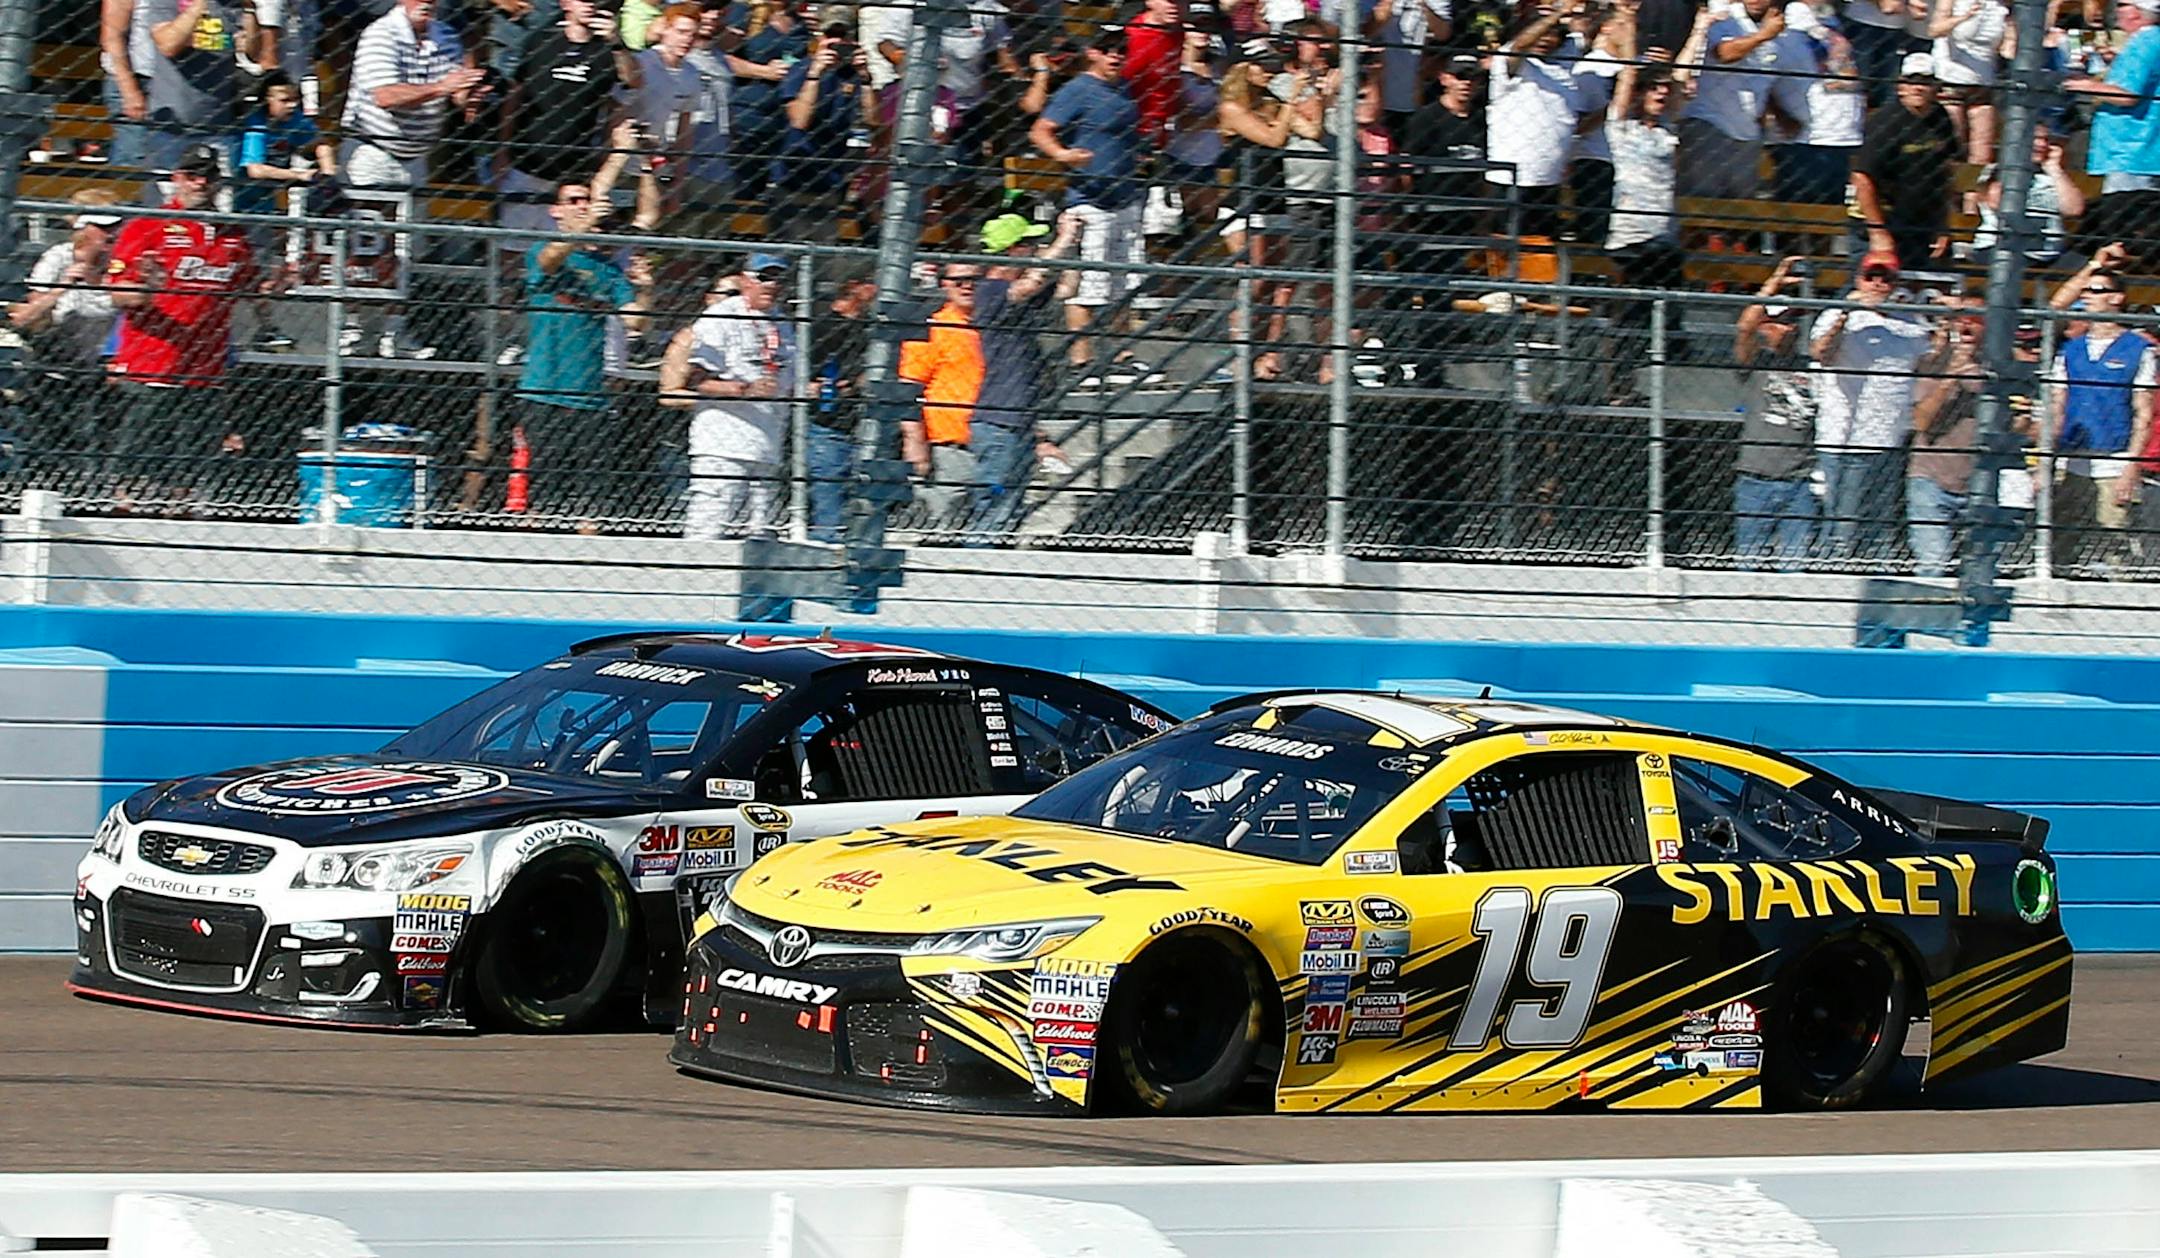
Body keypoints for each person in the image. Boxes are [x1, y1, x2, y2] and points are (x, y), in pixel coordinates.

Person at [103, 143, 259, 500]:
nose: (200, 183)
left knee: (190, 465)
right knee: (137, 461)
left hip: (206, 368)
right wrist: (147, 287)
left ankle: (181, 507)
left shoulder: (233, 235)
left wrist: (279, 283)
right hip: (152, 362)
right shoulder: (147, 226)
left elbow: (251, 287)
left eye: (207, 176)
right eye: (192, 175)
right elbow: (117, 294)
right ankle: (122, 508)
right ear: (177, 179)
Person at [342, 0, 488, 358]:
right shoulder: (380, 34)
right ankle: (352, 329)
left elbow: (453, 91)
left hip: (415, 157)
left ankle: (395, 333)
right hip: (371, 149)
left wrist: (468, 96)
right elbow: (385, 95)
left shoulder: (446, 36)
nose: (429, 3)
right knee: (364, 245)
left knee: (406, 251)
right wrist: (443, 87)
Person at [515, 180, 653, 523]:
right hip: (543, 392)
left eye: (587, 200)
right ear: (556, 210)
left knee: (592, 503)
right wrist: (583, 226)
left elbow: (635, 322)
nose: (582, 205)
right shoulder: (545, 252)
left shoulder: (608, 271)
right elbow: (549, 260)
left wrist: (646, 290)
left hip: (591, 397)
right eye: (573, 200)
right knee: (543, 498)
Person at [1031, 29, 1159, 387]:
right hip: (1091, 199)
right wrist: (1063, 155)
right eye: (1108, 51)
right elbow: (1041, 129)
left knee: (1124, 281)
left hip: (1125, 196)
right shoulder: (1078, 89)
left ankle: (1121, 355)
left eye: (1121, 51)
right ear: (1093, 53)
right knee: (1089, 283)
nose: (1115, 56)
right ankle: (1081, 360)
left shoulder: (1124, 89)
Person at [1810, 251, 1943, 562]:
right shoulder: (1838, 314)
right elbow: (1820, 353)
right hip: (1845, 440)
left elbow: (1931, 360)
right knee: (1842, 526)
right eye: (1872, 276)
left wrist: (1946, 323)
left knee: (1879, 529)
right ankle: (1834, 582)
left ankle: (1874, 582)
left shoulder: (1909, 320)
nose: (1879, 283)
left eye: (1886, 278)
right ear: (1860, 279)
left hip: (1889, 440)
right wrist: (1848, 312)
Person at [971, 209, 1083, 536]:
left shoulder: (1018, 296)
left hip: (1018, 418)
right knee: (996, 508)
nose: (1036, 248)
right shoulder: (990, 289)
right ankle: (978, 562)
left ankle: (991, 562)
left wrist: (1073, 247)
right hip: (998, 419)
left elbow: (1065, 289)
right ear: (1012, 250)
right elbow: (1030, 284)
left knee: (1011, 510)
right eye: (1029, 244)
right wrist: (1061, 240)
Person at [675, 254, 795, 540]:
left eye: (779, 278)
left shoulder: (782, 323)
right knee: (708, 530)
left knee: (759, 536)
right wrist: (744, 389)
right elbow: (697, 379)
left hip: (767, 446)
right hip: (723, 446)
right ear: (744, 280)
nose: (772, 285)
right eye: (764, 277)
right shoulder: (721, 315)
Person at [10, 194, 121, 493]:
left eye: (117, 227)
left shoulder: (121, 266)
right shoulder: (58, 258)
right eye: (104, 228)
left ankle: (86, 495)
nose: (113, 234)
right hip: (50, 363)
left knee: (92, 446)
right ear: (86, 230)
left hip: (97, 367)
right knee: (45, 444)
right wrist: (62, 287)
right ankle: (38, 492)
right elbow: (25, 319)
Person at [2045, 269, 2153, 575]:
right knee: (2061, 544)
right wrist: (2046, 461)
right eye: (2086, 291)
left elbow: (2142, 411)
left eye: (2096, 290)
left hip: (2113, 460)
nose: (2087, 297)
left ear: (2116, 298)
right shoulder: (2070, 350)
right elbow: (2057, 406)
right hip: (2072, 458)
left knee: (2117, 545)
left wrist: (2131, 467)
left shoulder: (2137, 349)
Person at [497, 0, 627, 232]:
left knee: (565, 247)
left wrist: (616, 43)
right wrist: (503, 151)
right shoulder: (540, 41)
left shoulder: (606, 50)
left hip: (575, 171)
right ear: (565, 4)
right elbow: (515, 96)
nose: (590, 5)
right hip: (527, 160)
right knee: (514, 245)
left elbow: (633, 80)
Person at [1731, 256, 1818, 569]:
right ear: (1766, 326)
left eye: (1792, 320)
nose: (1788, 328)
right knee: (1748, 564)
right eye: (1780, 321)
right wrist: (1773, 282)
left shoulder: (1813, 367)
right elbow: (1744, 327)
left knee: (1794, 566)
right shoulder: (1755, 362)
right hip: (1755, 479)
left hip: (1799, 480)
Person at [2065, 0, 2160, 266]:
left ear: (2137, 12)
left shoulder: (2145, 41)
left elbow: (2129, 94)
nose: (2117, 9)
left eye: (2123, 4)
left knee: (2125, 233)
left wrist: (2081, 85)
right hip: (2143, 149)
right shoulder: (2150, 42)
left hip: (2131, 150)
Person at [1847, 52, 1958, 272]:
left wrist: (1943, 225)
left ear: (1936, 87)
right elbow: (1862, 177)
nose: (1918, 88)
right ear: (1900, 86)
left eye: (1925, 81)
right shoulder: (1885, 122)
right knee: (1871, 284)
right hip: (1881, 219)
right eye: (1911, 81)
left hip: (1921, 223)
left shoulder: (1941, 119)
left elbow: (1946, 172)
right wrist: (1878, 232)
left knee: (1921, 286)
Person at [899, 262, 989, 532]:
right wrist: (915, 441)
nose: (967, 286)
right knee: (945, 524)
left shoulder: (991, 324)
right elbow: (908, 389)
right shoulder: (932, 329)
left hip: (993, 439)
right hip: (948, 444)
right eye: (958, 281)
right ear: (944, 285)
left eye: (974, 278)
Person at [1485, 3, 1582, 241]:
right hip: (1511, 178)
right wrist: (1560, 12)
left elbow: (1582, 31)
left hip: (1550, 178)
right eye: (1540, 32)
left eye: (1552, 35)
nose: (1545, 39)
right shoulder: (1510, 62)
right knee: (1508, 246)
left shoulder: (1565, 64)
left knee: (1541, 249)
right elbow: (1520, 45)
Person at [1905, 294, 1985, 577]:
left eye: (1974, 321)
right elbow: (1922, 421)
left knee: (1978, 570)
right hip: (1931, 479)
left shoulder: (1998, 366)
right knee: (1933, 566)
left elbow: (2022, 427)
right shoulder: (1933, 362)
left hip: (1979, 482)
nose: (1966, 328)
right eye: (1960, 321)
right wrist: (1951, 376)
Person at [1677, 0, 1782, 200]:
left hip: (1748, 134)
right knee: (1702, 202)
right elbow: (1723, 53)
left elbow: (1766, 83)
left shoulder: (1778, 29)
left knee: (1740, 207)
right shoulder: (1725, 18)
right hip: (1711, 124)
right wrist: (1763, 36)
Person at [778, 23, 874, 237]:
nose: (838, 44)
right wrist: (815, 74)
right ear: (820, 39)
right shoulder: (801, 69)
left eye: (844, 38)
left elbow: (872, 120)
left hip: (832, 175)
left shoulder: (852, 75)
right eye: (832, 37)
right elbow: (799, 120)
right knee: (788, 243)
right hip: (793, 172)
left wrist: (865, 76)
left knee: (822, 248)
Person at [805, 268, 878, 542]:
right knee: (829, 510)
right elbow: (803, 376)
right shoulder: (822, 326)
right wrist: (818, 387)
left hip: (862, 425)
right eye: (873, 283)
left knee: (862, 510)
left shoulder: (871, 327)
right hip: (827, 425)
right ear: (854, 285)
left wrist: (857, 383)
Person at [1768, 3, 1865, 206]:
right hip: (1808, 137)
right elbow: (1766, 78)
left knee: (1831, 214)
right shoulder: (1794, 22)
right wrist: (1780, 115)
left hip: (1841, 135)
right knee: (1800, 212)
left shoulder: (1831, 18)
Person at [144, 0, 244, 174]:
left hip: (221, 126)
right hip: (171, 128)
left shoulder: (233, 4)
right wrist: (200, 5)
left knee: (221, 197)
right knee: (169, 197)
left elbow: (255, 54)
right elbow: (168, 44)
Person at [1928, 0, 2004, 163]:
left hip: (1983, 84)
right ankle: (1949, 186)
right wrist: (1963, 17)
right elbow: (1934, 30)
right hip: (1950, 81)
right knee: (1953, 147)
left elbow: (2007, 47)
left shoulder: (2001, 7)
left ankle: (1973, 187)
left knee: (1982, 154)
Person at [101, 0, 156, 167]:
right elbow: (111, 36)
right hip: (136, 79)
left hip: (177, 81)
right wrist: (129, 91)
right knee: (134, 159)